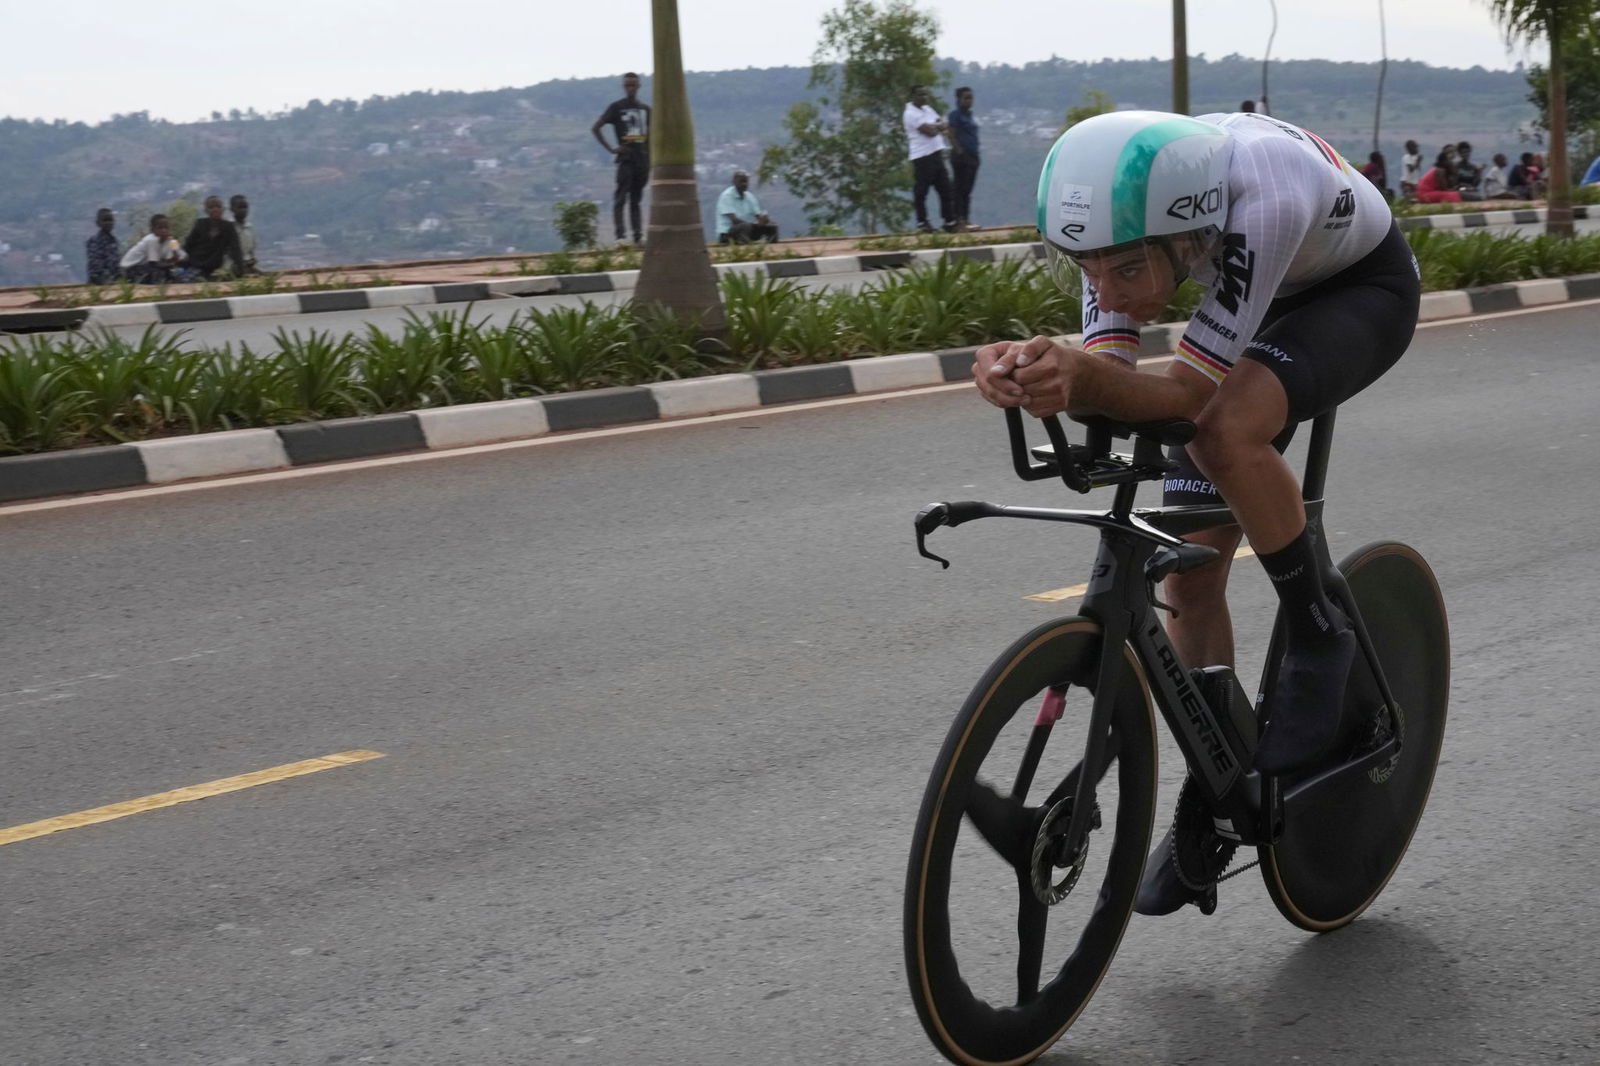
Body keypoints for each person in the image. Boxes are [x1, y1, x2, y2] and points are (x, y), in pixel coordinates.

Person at [976, 109, 1420, 915]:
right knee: (1191, 571)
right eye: (1085, 268)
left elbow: (1181, 392)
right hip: (1262, 296)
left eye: (1125, 273)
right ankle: (1222, 779)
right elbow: (1110, 378)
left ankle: (1320, 629)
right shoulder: (1127, 225)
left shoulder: (1261, 202)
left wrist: (1078, 377)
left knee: (1225, 430)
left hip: (1356, 290)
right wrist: (1032, 372)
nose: (1105, 290)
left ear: (1187, 241)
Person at [591, 72, 651, 245]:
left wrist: (649, 158)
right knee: (621, 197)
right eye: (628, 85)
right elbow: (596, 128)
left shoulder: (646, 110)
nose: (631, 88)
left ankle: (638, 235)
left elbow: (652, 136)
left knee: (636, 199)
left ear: (638, 86)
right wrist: (611, 149)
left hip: (642, 160)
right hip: (626, 159)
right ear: (624, 87)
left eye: (633, 84)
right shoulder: (617, 107)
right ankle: (620, 235)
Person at [903, 85, 956, 234]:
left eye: (925, 94)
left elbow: (943, 123)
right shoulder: (910, 114)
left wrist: (937, 125)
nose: (924, 97)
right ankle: (922, 222)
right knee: (921, 191)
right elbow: (931, 132)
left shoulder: (928, 110)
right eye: (920, 95)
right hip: (922, 156)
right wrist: (938, 126)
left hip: (936, 153)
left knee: (946, 188)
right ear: (913, 96)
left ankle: (949, 221)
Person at [183, 195, 246, 279]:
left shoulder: (228, 227)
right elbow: (188, 245)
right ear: (206, 210)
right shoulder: (200, 224)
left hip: (214, 269)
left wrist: (241, 272)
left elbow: (236, 250)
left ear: (223, 209)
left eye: (218, 207)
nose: (215, 209)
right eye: (211, 207)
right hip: (195, 265)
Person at [947, 87, 981, 230]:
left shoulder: (970, 116)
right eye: (966, 98)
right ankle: (958, 219)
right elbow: (951, 133)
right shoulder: (955, 115)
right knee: (959, 189)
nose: (969, 101)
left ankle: (965, 219)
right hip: (961, 157)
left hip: (973, 156)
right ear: (958, 99)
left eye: (970, 98)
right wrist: (959, 150)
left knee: (967, 189)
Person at [118, 214, 187, 284]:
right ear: (152, 230)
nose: (164, 230)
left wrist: (174, 250)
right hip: (129, 269)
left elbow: (183, 257)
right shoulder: (151, 240)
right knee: (159, 273)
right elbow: (154, 264)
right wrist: (171, 263)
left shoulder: (171, 241)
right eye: (160, 228)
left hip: (145, 267)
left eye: (166, 228)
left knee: (175, 274)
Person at [715, 169, 778, 243]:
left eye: (746, 182)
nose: (744, 184)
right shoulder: (726, 196)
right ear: (734, 182)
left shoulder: (749, 197)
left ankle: (771, 244)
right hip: (727, 234)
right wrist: (753, 224)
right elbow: (734, 220)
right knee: (745, 226)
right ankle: (744, 244)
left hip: (747, 230)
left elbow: (758, 216)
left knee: (772, 226)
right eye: (741, 181)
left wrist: (764, 220)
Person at [85, 207, 121, 285]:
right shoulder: (94, 241)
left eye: (110, 220)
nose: (108, 223)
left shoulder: (114, 241)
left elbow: (116, 263)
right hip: (99, 283)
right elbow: (95, 266)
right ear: (98, 223)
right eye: (105, 220)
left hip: (114, 281)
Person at [230, 194, 259, 274]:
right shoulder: (229, 227)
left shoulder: (249, 228)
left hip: (248, 265)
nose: (243, 210)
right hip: (233, 267)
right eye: (240, 207)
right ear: (232, 209)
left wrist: (252, 260)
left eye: (245, 207)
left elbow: (251, 250)